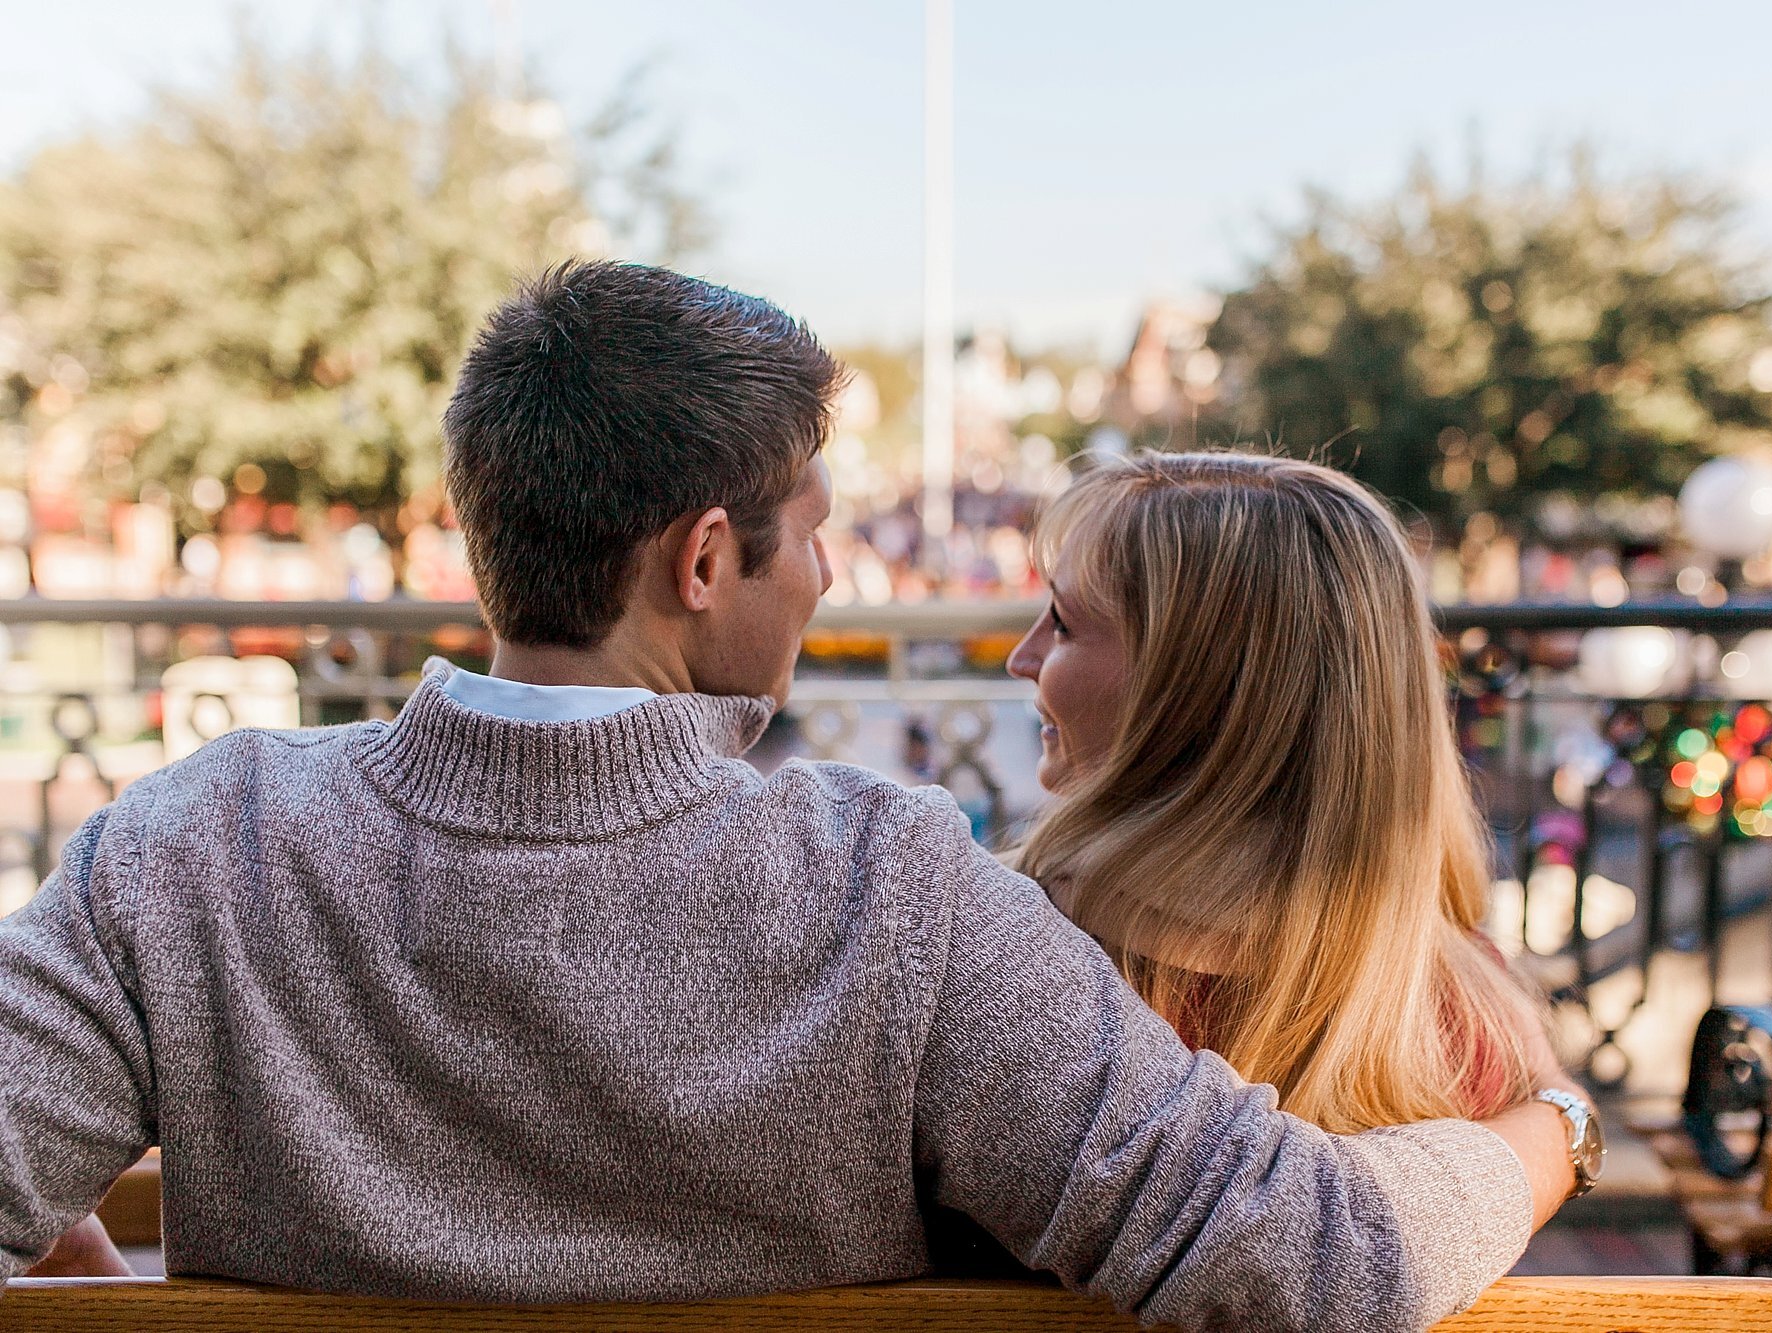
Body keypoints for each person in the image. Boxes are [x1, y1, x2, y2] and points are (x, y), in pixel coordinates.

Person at [1, 261, 1580, 1331]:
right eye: (814, 531)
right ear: (702, 561)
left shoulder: (190, 847)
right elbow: (1317, 1259)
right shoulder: (892, 893)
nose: (833, 574)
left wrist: (87, 1281)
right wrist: (1556, 1121)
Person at [1004, 450, 1568, 1135]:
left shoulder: (1017, 961)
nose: (1021, 657)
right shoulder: (1469, 1017)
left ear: (1198, 687)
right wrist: (1564, 1119)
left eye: (1062, 623)